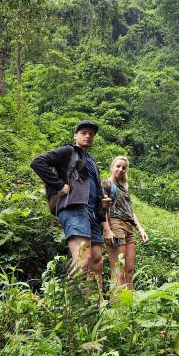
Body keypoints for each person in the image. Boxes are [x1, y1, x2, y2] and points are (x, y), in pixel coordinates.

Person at [30, 121, 111, 287]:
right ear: (76, 135)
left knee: (96, 262)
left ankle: (93, 307)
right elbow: (38, 163)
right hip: (74, 208)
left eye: (91, 134)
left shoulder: (92, 162)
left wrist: (103, 203)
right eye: (84, 132)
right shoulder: (69, 151)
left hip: (93, 213)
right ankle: (65, 304)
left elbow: (92, 186)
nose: (88, 136)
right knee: (82, 259)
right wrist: (59, 185)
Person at [101, 156, 148, 290]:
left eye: (124, 168)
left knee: (129, 271)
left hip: (128, 227)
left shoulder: (124, 188)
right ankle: (118, 307)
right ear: (112, 167)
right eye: (118, 166)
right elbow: (102, 208)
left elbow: (130, 211)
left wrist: (140, 229)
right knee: (118, 271)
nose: (120, 169)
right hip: (115, 224)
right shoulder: (106, 184)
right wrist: (107, 230)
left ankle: (130, 306)